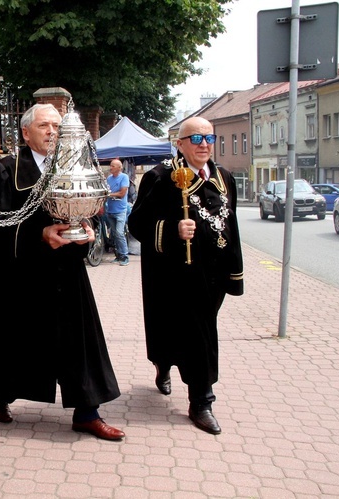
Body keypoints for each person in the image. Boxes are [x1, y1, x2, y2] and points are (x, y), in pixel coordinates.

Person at [0, 103, 124, 442]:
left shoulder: (73, 164)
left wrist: (86, 226)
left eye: (57, 127)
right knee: (16, 342)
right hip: (23, 275)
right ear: (26, 132)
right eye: (44, 126)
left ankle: (88, 411)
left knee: (80, 339)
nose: (51, 132)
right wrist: (40, 234)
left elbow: (82, 207)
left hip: (67, 272)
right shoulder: (7, 170)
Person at [127, 116, 244, 435]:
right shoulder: (161, 178)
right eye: (196, 139)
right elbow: (136, 224)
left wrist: (235, 273)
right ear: (180, 144)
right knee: (193, 333)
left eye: (210, 138)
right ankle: (200, 401)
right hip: (175, 275)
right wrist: (172, 230)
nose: (204, 144)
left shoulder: (224, 177)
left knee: (200, 331)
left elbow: (231, 226)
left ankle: (176, 370)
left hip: (214, 275)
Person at [103, 158, 130, 266]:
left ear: (119, 168)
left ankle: (124, 256)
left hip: (120, 211)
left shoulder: (124, 177)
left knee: (119, 233)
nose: (110, 167)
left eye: (113, 166)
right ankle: (118, 255)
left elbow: (122, 193)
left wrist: (109, 195)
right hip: (110, 210)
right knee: (114, 234)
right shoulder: (109, 178)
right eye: (110, 165)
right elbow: (106, 190)